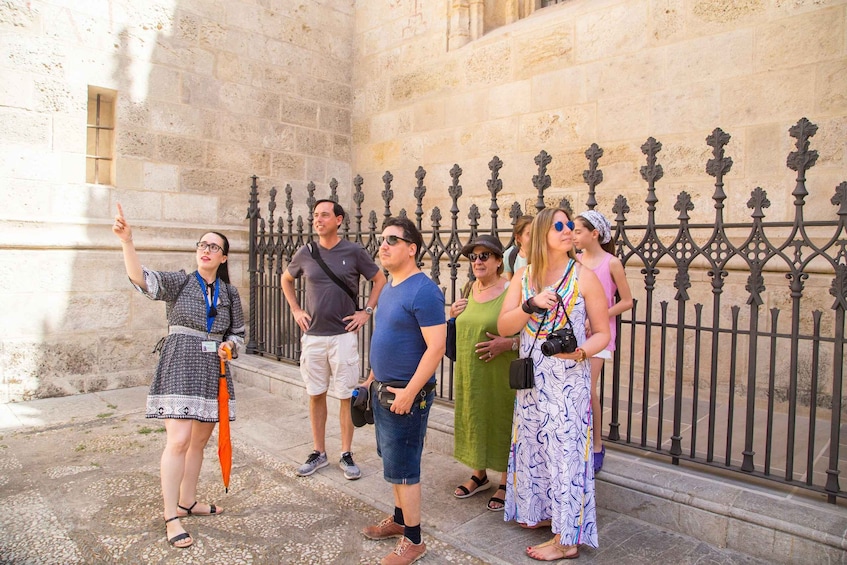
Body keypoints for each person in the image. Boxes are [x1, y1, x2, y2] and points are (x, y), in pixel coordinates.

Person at [112, 203, 245, 549]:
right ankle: (171, 516)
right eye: (203, 244)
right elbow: (141, 279)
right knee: (179, 441)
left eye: (214, 246)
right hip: (180, 364)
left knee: (199, 441)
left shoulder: (230, 293)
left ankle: (187, 501)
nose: (207, 250)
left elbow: (240, 335)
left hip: (212, 370)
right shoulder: (181, 282)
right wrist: (128, 242)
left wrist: (230, 347)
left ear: (224, 258)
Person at [497, 207, 611, 561]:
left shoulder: (585, 277)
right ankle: (545, 514)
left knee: (566, 455)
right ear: (544, 233)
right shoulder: (524, 277)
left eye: (570, 226)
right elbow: (504, 327)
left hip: (568, 380)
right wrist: (530, 305)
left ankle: (567, 539)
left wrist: (579, 353)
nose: (567, 231)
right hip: (533, 381)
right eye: (559, 226)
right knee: (534, 448)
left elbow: (603, 334)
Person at [361, 217, 446, 565]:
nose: (384, 245)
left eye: (393, 240)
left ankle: (413, 540)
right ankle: (399, 520)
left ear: (412, 249)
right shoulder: (393, 285)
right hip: (383, 390)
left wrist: (410, 392)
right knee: (392, 462)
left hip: (406, 397)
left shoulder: (424, 290)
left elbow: (436, 347)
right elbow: (386, 337)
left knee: (405, 469)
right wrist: (370, 377)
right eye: (382, 239)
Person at [282, 199, 386, 480]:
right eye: (316, 215)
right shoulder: (306, 252)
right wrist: (295, 308)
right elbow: (285, 279)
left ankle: (346, 453)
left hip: (343, 336)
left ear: (339, 220)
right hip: (313, 336)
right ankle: (318, 452)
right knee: (315, 394)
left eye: (325, 215)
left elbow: (379, 279)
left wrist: (366, 312)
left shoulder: (353, 251)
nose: (318, 220)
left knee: (344, 396)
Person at [449, 234, 517, 512]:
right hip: (470, 373)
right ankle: (479, 475)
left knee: (501, 418)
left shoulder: (512, 289)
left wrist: (508, 343)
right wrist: (452, 314)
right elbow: (461, 323)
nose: (477, 261)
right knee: (475, 416)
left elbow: (530, 332)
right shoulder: (468, 287)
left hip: (500, 374)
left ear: (499, 261)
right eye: (473, 257)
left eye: (484, 256)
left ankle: (505, 481)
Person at [572, 210, 633, 473]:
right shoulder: (576, 261)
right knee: (575, 389)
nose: (573, 235)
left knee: (588, 389)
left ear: (594, 233)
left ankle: (596, 444)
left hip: (600, 334)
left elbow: (627, 301)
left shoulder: (611, 263)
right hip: (576, 333)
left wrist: (599, 315)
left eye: (578, 231)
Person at [503, 215, 533, 281]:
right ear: (518, 238)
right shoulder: (511, 255)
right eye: (529, 234)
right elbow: (510, 284)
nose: (534, 237)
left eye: (536, 233)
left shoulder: (543, 255)